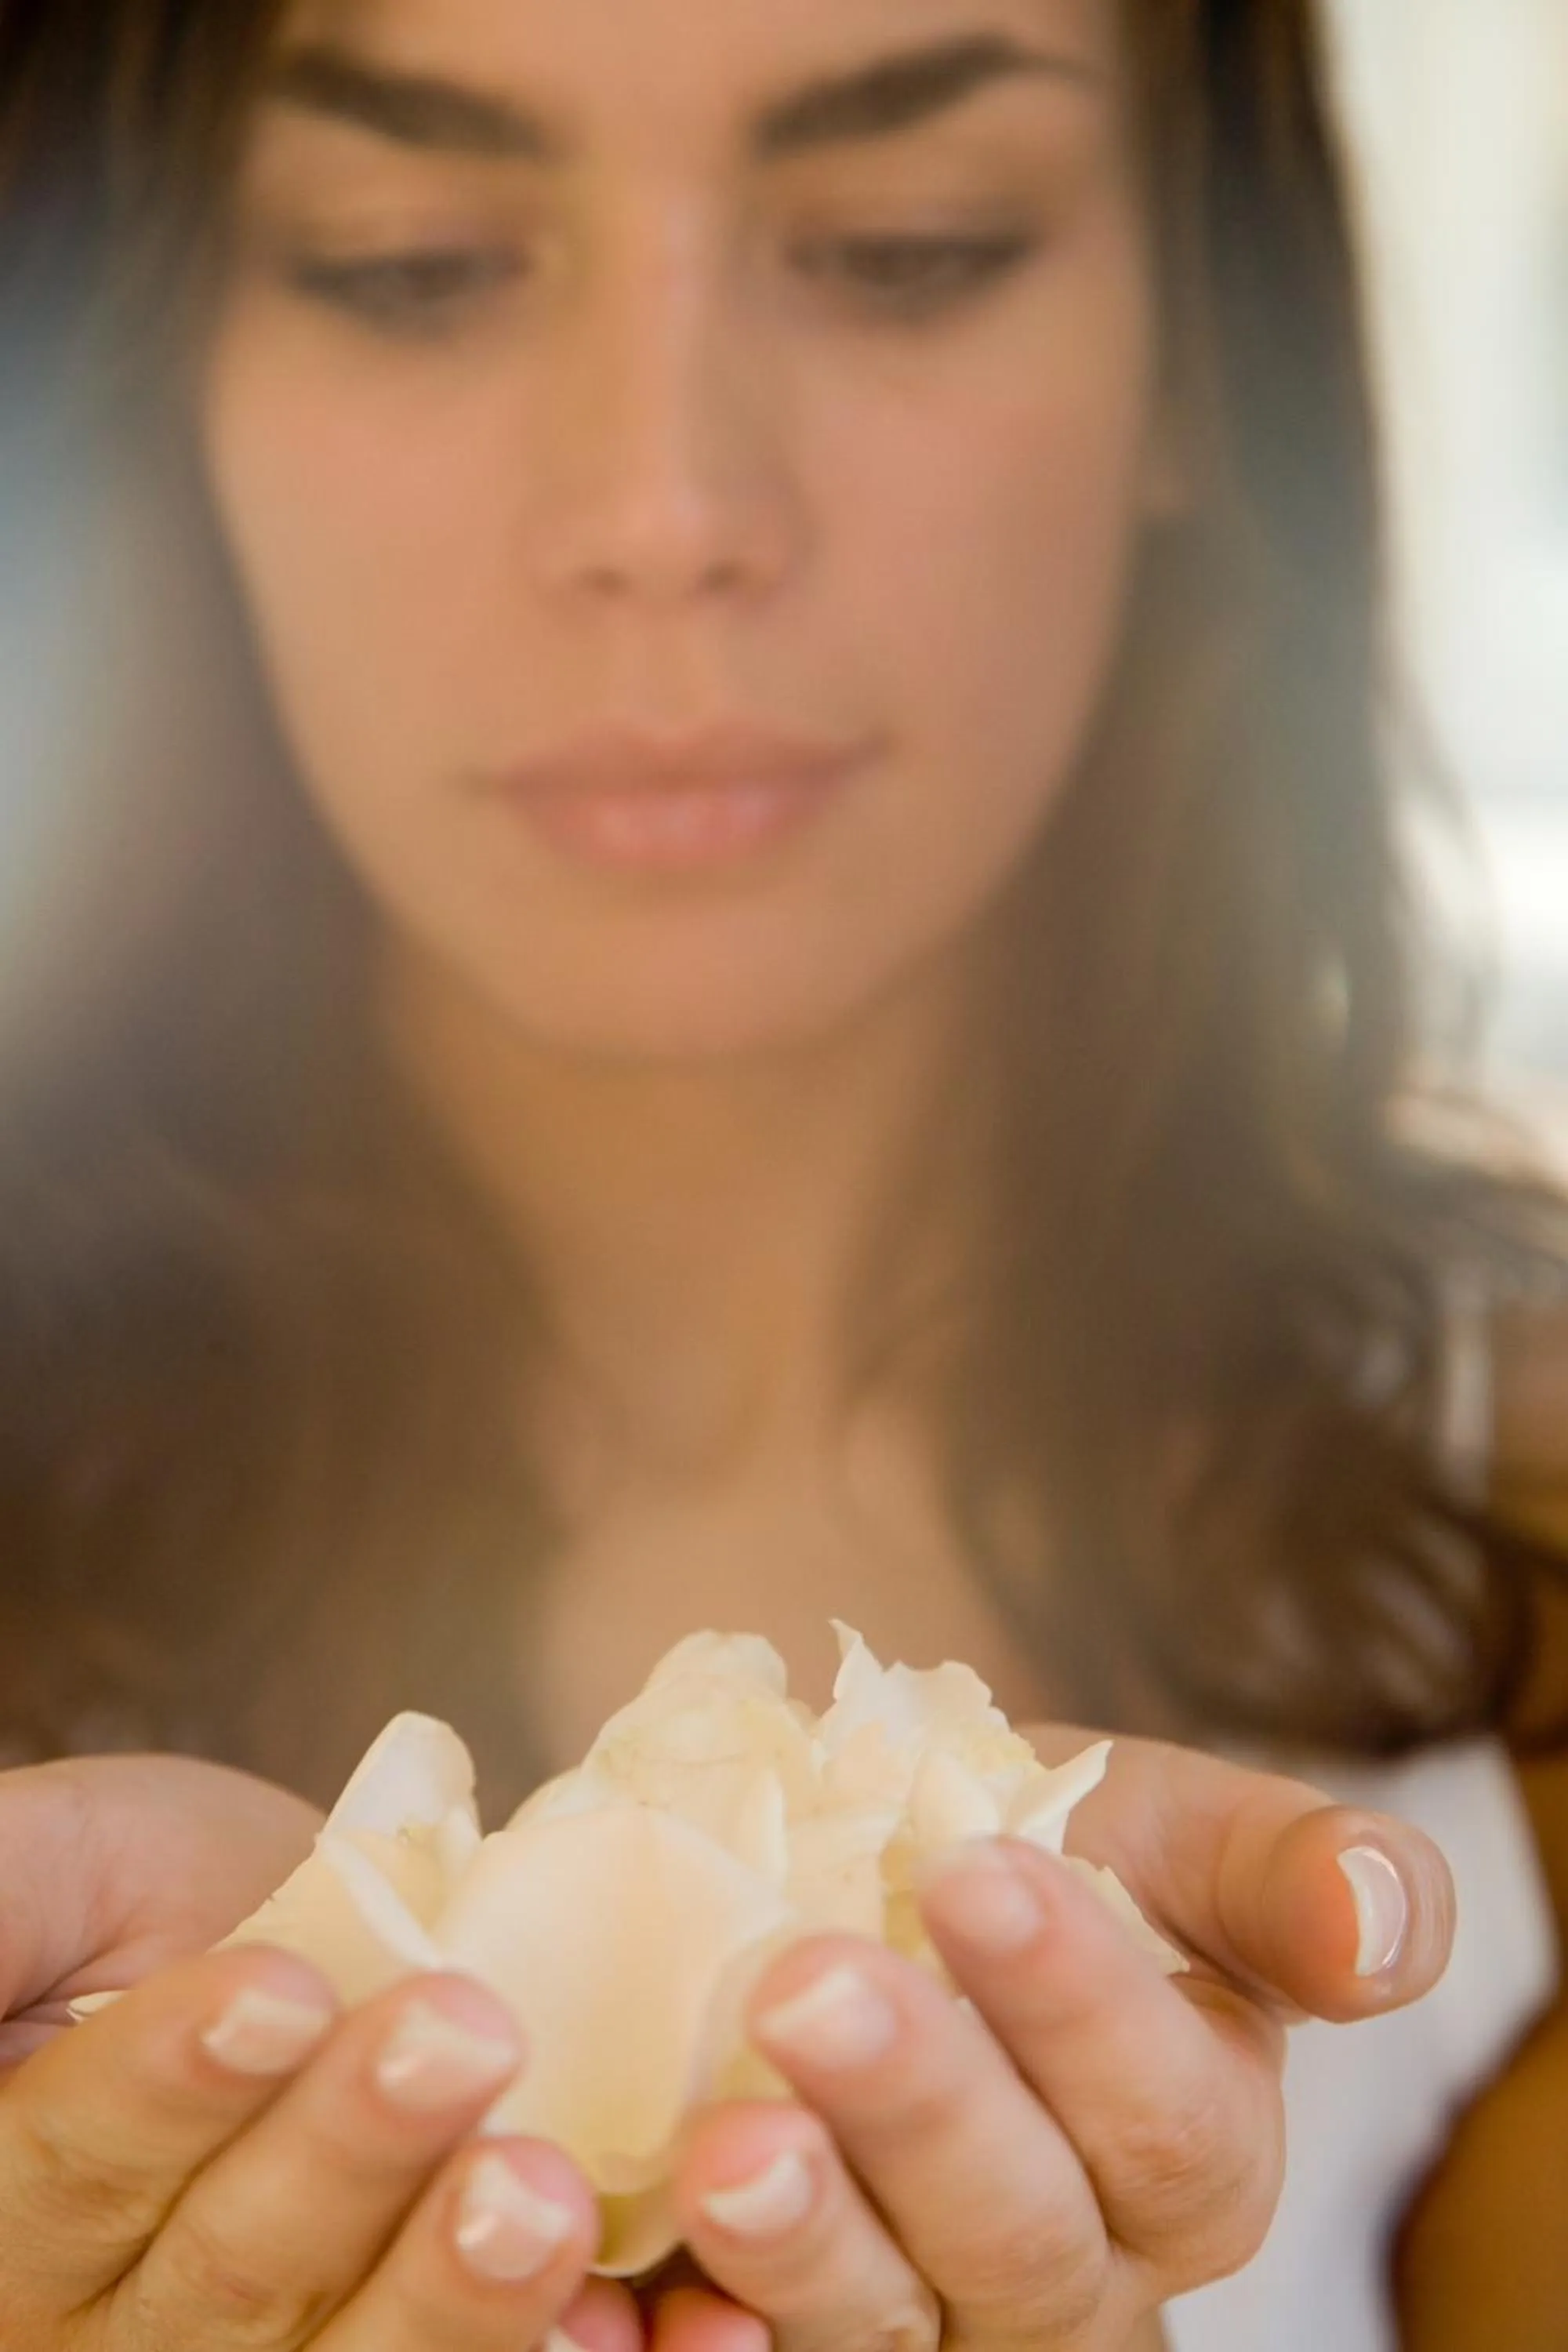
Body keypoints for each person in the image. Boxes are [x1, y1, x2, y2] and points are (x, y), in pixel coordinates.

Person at [0, 0, 1564, 2344]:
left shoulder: (1522, 1545)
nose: (665, 511)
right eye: (410, 262)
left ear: (1199, 361)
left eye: (907, 248)